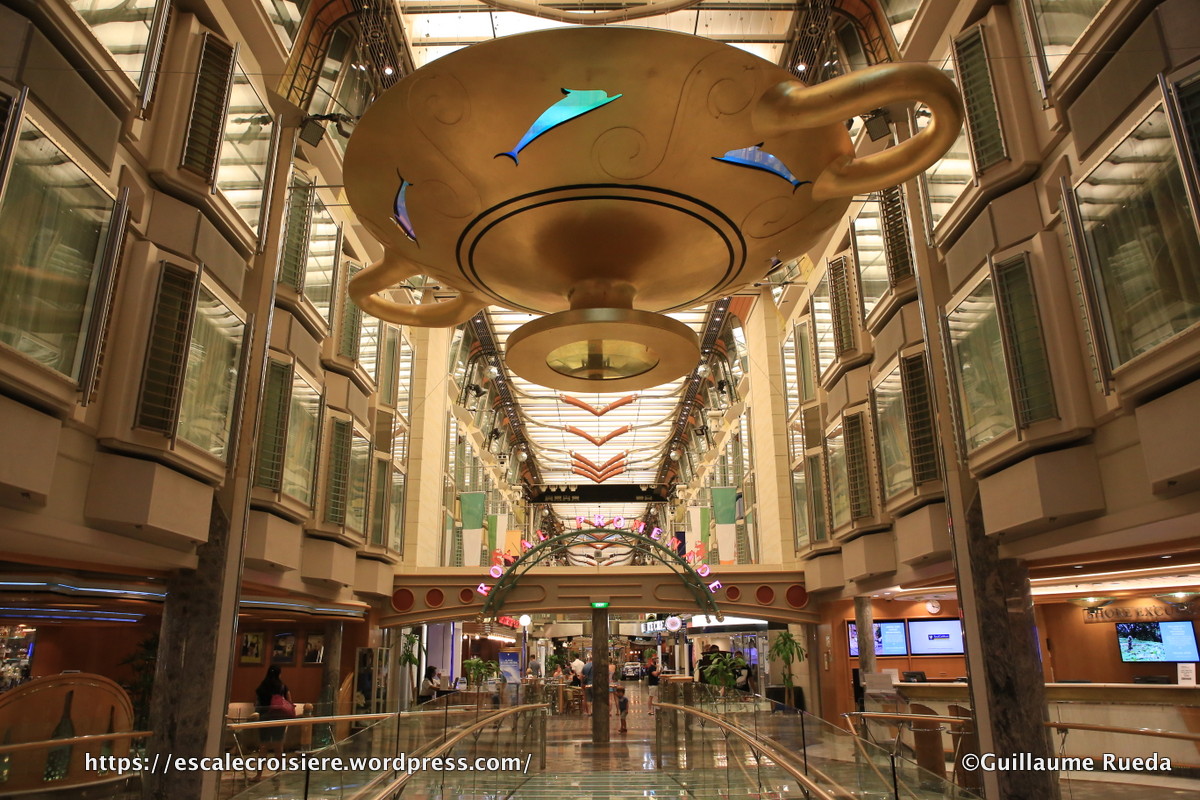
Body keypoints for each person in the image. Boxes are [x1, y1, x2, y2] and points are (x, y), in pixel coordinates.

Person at [254, 666, 292, 777]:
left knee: (263, 747)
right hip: (278, 718)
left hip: (264, 718)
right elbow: (289, 701)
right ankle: (278, 772)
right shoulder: (283, 687)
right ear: (279, 674)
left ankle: (258, 775)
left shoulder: (262, 687)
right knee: (278, 746)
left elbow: (256, 703)